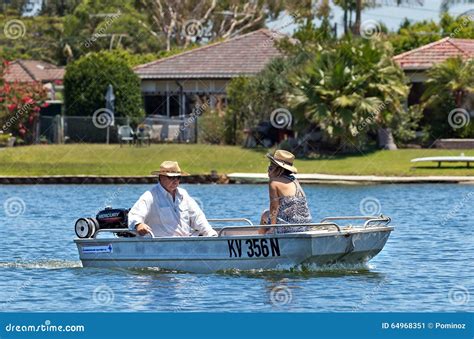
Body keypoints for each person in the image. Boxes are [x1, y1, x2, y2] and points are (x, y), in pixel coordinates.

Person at [128, 161, 217, 237]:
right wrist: (138, 225)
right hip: (162, 246)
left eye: (178, 177)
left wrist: (210, 233)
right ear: (161, 177)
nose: (175, 180)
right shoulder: (150, 196)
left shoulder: (183, 194)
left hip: (186, 244)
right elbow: (134, 215)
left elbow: (197, 217)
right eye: (171, 177)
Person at [259, 150, 312, 234]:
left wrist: (272, 228)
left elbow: (274, 207)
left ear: (279, 169)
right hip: (305, 226)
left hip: (289, 227)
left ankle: (259, 241)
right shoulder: (294, 180)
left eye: (271, 167)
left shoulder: (274, 182)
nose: (268, 170)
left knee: (265, 215)